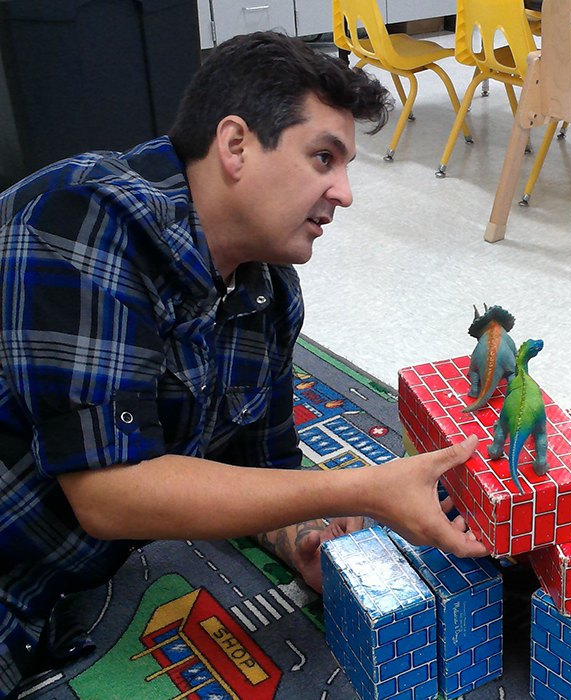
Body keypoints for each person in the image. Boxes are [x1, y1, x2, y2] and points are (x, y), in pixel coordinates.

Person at [0, 31, 488, 697]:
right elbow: (111, 494)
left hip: (73, 592)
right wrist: (360, 488)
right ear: (235, 146)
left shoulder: (268, 290)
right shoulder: (83, 220)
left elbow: (261, 475)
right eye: (323, 158)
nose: (343, 193)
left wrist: (306, 543)